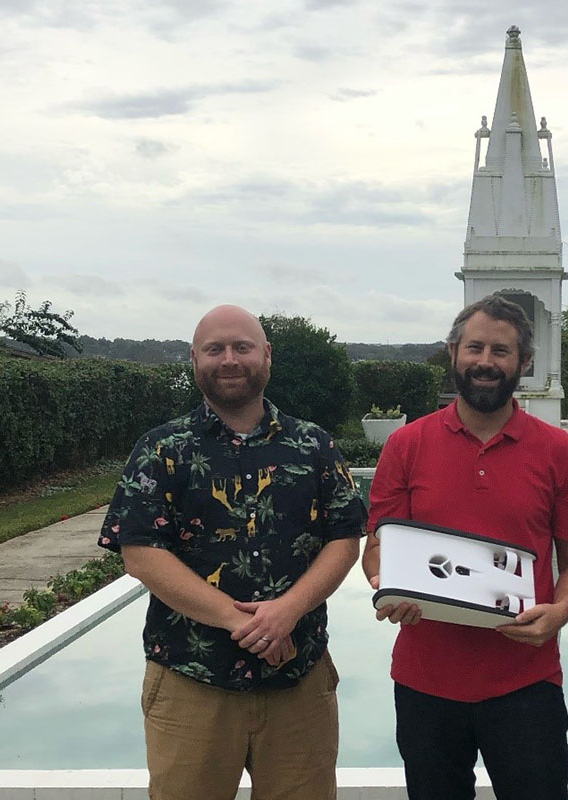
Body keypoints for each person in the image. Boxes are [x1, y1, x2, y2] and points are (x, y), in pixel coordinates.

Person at [97, 304, 366, 800]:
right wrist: (248, 622)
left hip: (298, 683)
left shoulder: (315, 446)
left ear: (266, 355)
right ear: (194, 358)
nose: (228, 359)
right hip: (190, 684)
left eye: (242, 347)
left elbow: (345, 540)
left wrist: (288, 611)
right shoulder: (162, 449)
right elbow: (140, 554)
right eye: (214, 349)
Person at [362, 295, 568, 800]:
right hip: (426, 680)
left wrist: (561, 611)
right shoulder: (407, 446)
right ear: (453, 352)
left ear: (524, 364)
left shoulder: (559, 452)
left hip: (526, 680)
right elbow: (378, 547)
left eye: (501, 351)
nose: (486, 362)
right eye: (475, 347)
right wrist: (386, 585)